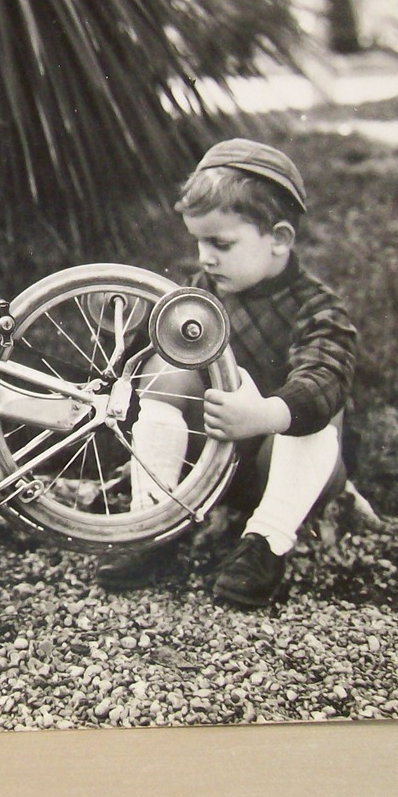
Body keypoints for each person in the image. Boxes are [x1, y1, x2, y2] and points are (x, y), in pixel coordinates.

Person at [98, 138, 358, 607]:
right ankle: (157, 520)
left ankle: (267, 541)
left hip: (280, 467)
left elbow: (325, 379)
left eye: (220, 243)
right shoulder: (200, 293)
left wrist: (265, 416)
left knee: (318, 416)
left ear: (279, 239)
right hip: (206, 459)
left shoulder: (317, 310)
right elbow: (134, 363)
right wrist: (118, 335)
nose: (205, 257)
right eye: (199, 242)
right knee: (167, 364)